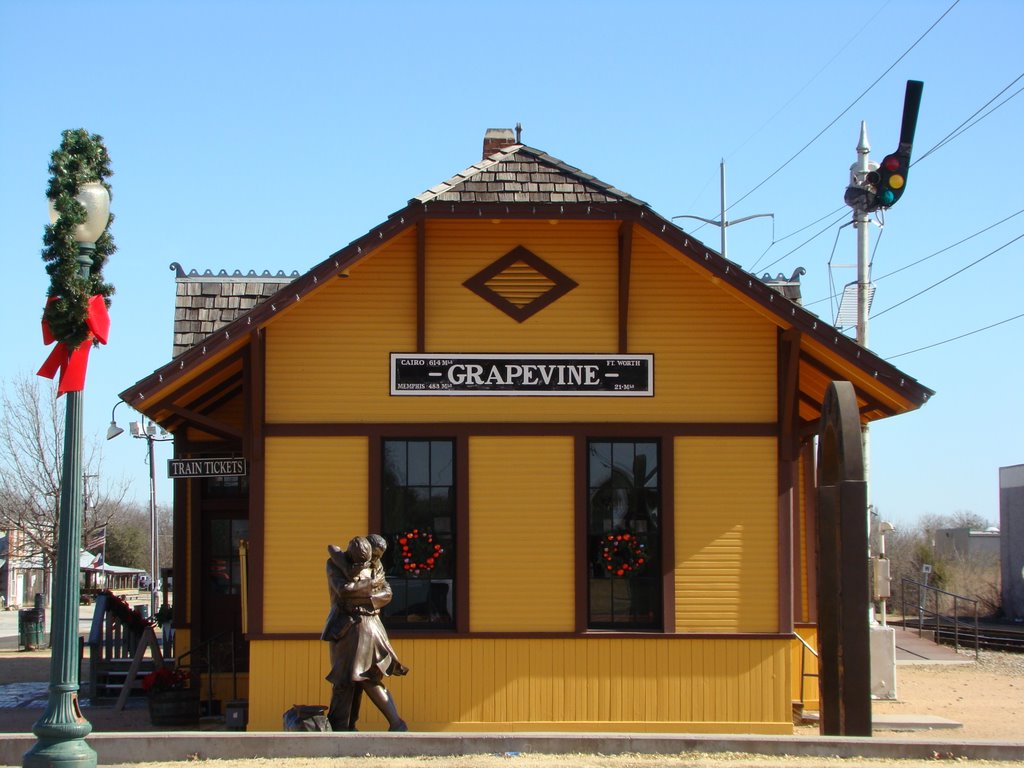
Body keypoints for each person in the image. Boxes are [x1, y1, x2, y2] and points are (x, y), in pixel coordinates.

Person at [322, 535, 408, 731]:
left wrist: (365, 598)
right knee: (350, 679)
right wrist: (372, 585)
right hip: (346, 627)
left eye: (377, 557)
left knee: (360, 676)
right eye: (372, 556)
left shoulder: (376, 566)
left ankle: (392, 724)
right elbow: (343, 591)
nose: (374, 560)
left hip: (369, 626)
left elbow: (387, 593)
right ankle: (345, 727)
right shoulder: (336, 565)